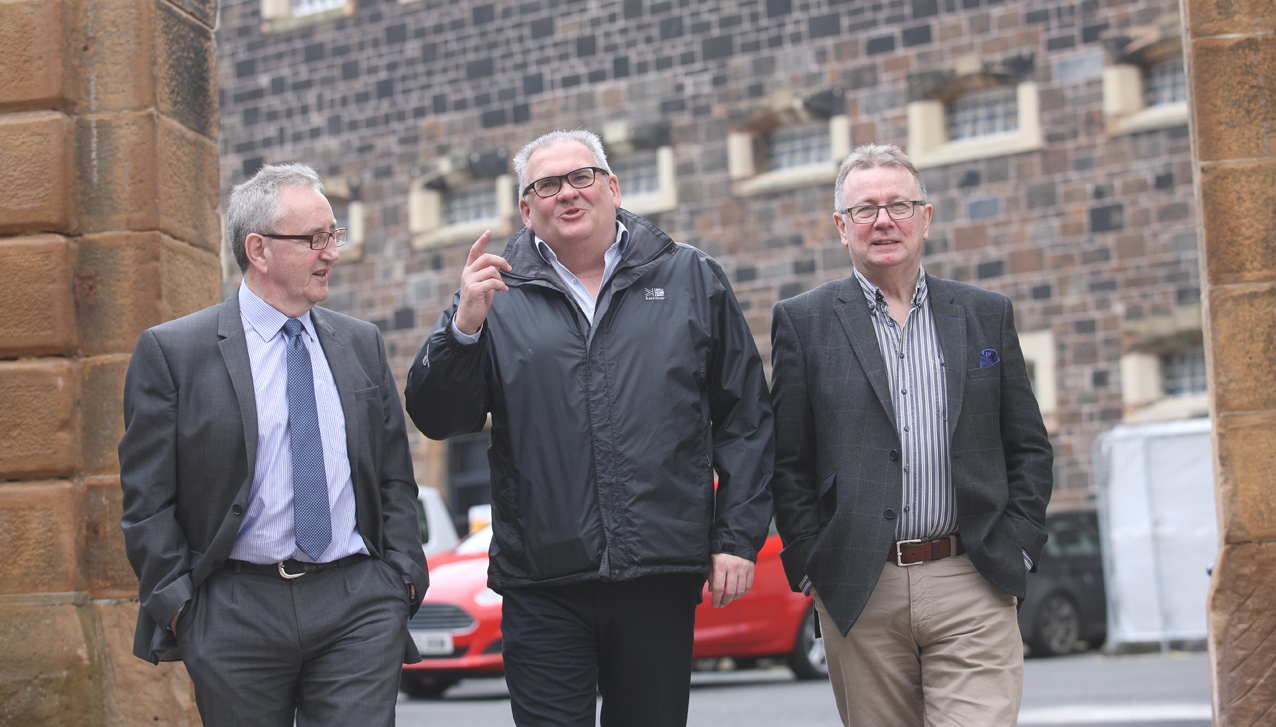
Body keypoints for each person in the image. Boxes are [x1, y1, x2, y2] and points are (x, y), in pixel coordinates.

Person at [404, 129, 773, 727]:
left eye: (581, 177)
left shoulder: (690, 277)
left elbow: (745, 417)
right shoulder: (492, 292)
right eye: (546, 185)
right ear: (526, 209)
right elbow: (439, 418)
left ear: (612, 186)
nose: (567, 194)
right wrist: (463, 329)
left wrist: (736, 536)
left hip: (658, 571)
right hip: (542, 579)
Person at [118, 163, 428, 727]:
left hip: (357, 603)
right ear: (258, 249)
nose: (330, 252)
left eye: (333, 235)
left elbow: (393, 477)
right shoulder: (173, 353)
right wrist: (184, 609)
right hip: (235, 610)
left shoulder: (361, 343)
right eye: (314, 239)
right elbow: (146, 500)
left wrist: (400, 579)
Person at [770, 143, 1053, 727]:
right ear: (841, 228)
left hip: (972, 574)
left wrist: (1020, 543)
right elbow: (789, 459)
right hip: (859, 583)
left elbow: (1027, 444)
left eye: (898, 205)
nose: (883, 221)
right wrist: (810, 562)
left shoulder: (984, 312)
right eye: (865, 209)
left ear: (926, 217)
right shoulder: (804, 321)